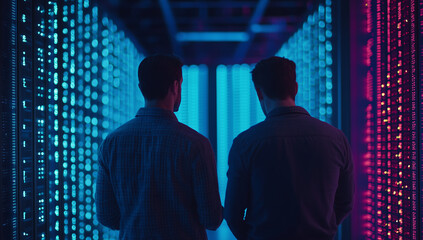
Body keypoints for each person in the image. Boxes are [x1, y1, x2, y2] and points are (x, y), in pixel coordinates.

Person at [224, 56, 354, 240]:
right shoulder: (336, 138)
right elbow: (345, 203)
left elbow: (232, 213)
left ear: (259, 92)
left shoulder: (245, 143)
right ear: (295, 88)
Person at [95, 55, 223, 239]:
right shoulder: (196, 144)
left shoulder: (111, 143)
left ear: (141, 88)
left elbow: (107, 217)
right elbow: (211, 219)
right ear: (175, 86)